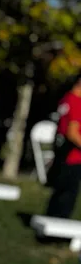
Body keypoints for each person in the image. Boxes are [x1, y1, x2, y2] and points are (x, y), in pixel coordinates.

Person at [45, 74, 81, 219]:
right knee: (67, 195)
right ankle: (56, 231)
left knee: (59, 192)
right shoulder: (77, 102)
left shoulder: (66, 99)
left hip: (62, 153)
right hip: (73, 156)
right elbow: (72, 133)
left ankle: (50, 224)